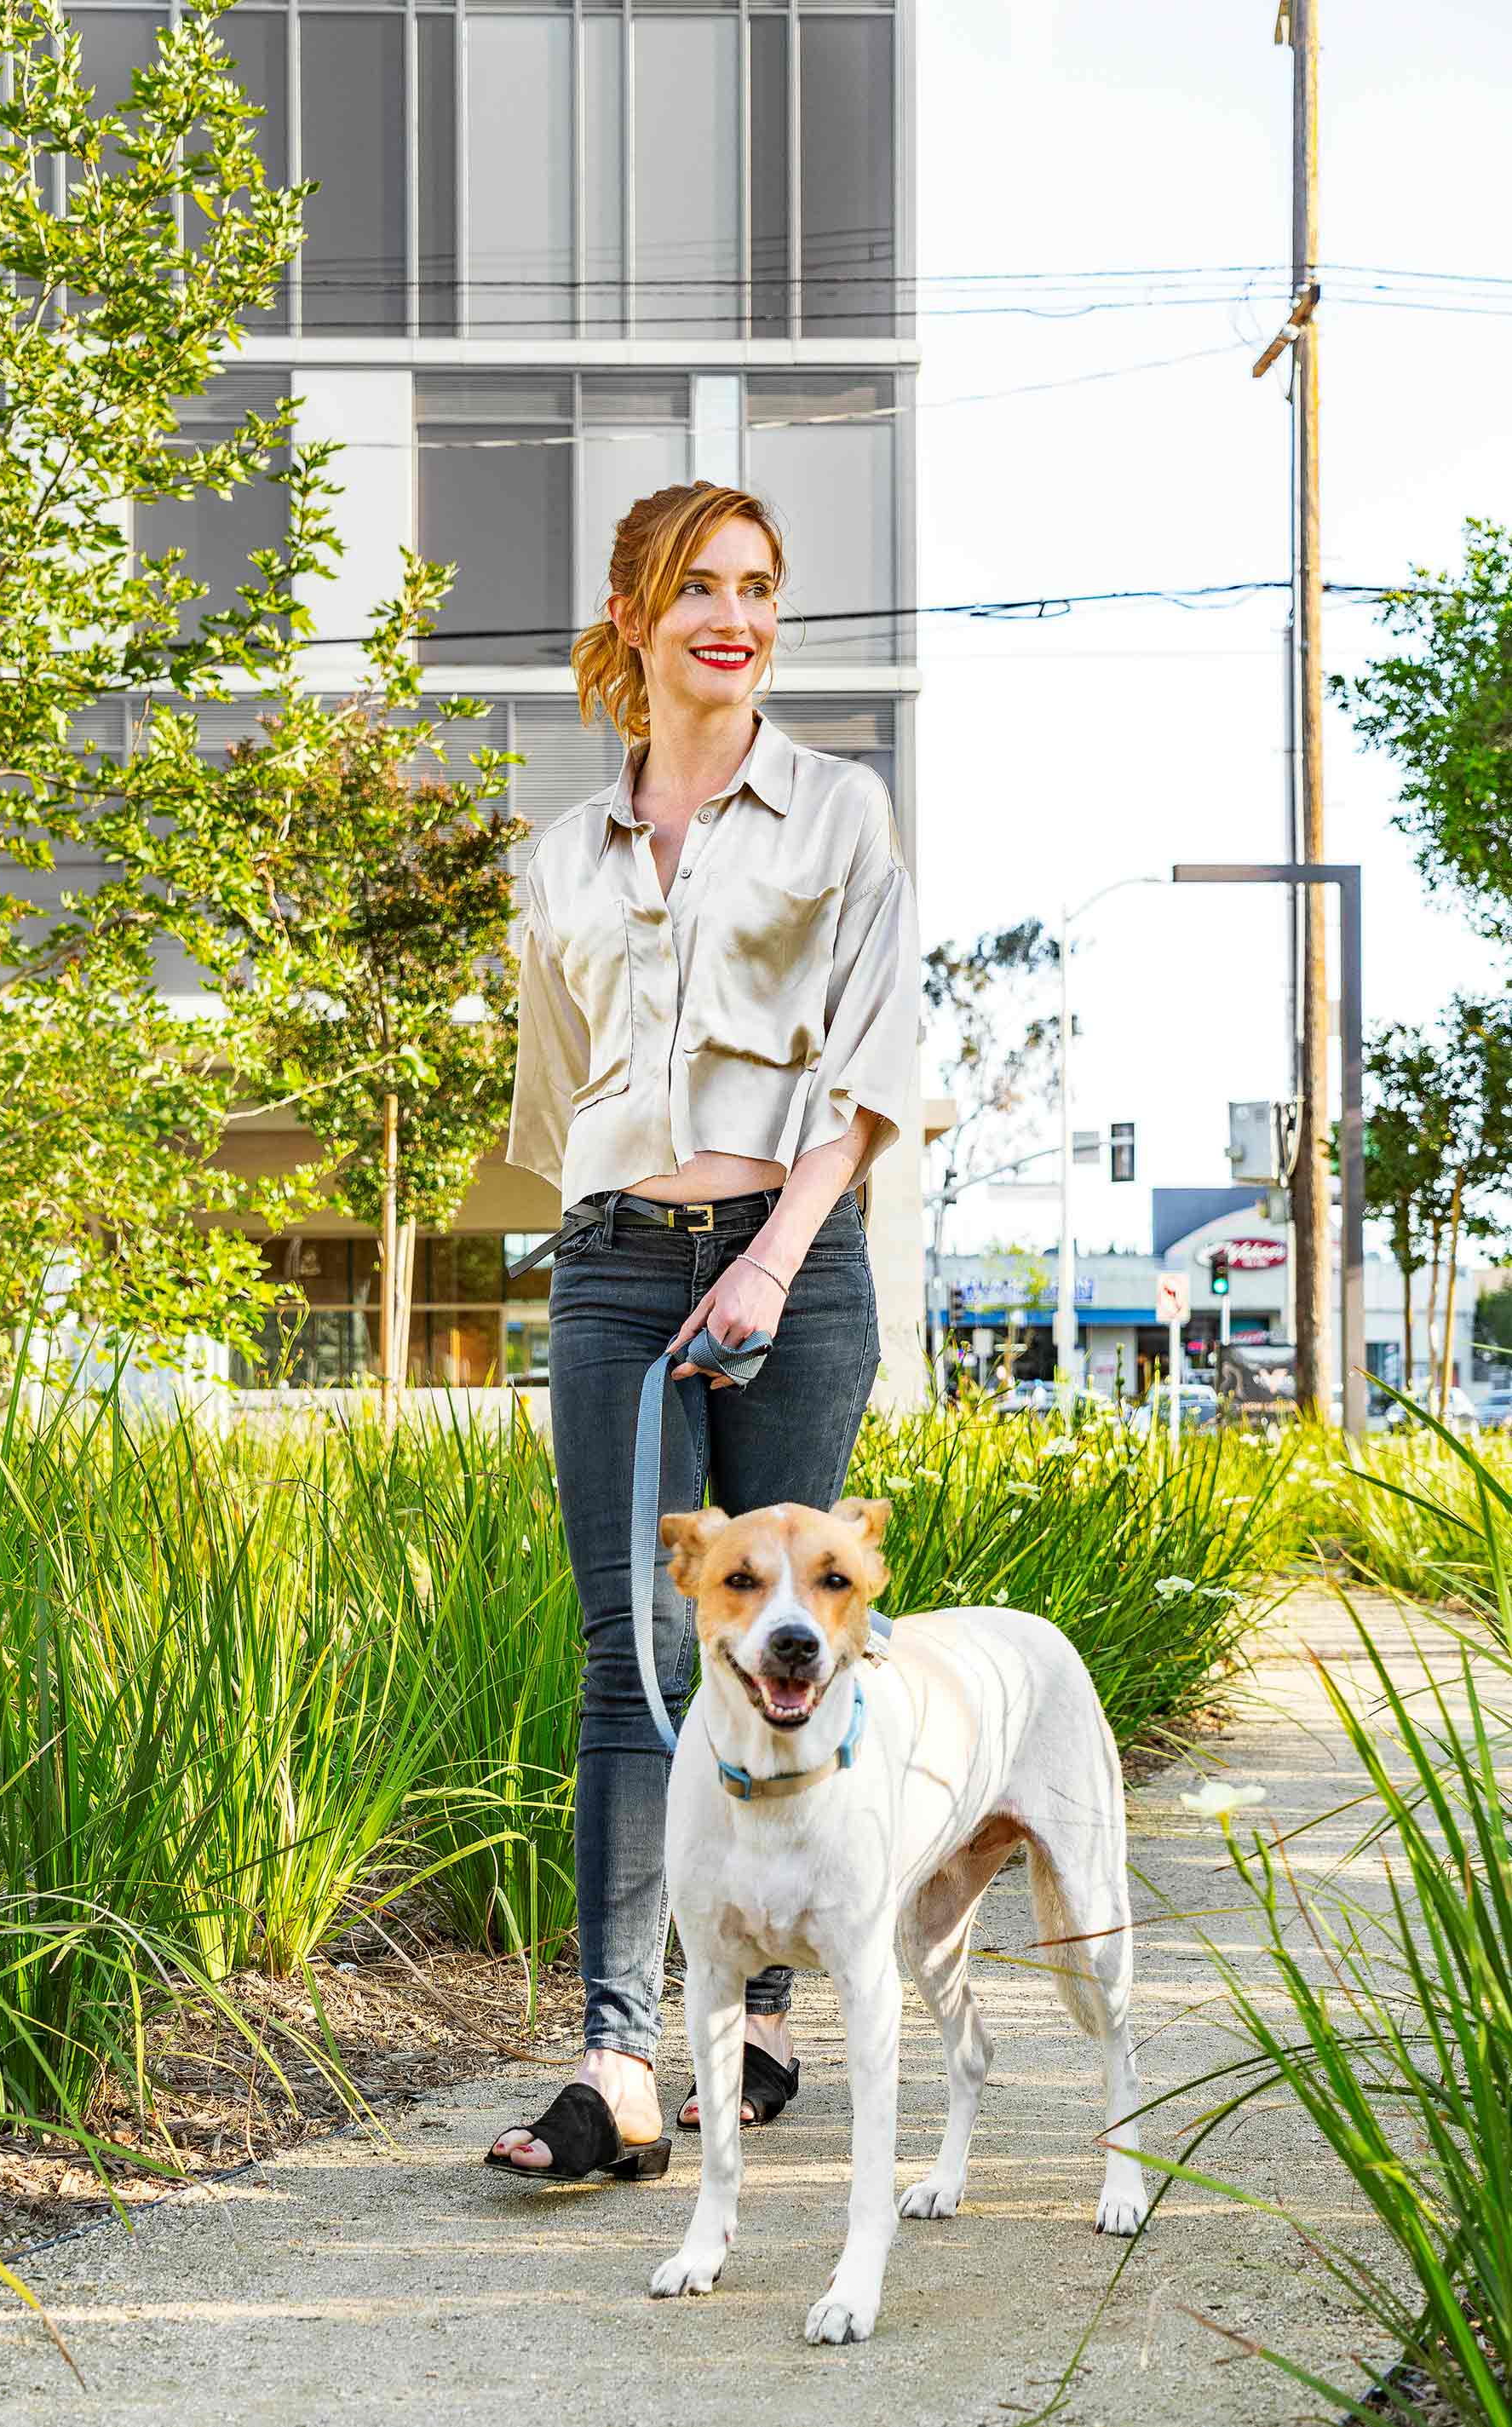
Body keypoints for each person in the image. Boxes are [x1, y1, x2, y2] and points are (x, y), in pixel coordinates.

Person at [489, 479, 921, 2180]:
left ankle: (756, 2010)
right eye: (698, 587)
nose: (730, 615)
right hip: (609, 1268)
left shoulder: (835, 811)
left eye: (756, 585)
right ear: (634, 616)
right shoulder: (554, 857)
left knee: (791, 1631)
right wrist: (626, 1254)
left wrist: (765, 1253)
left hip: (794, 1268)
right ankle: (613, 2060)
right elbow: (554, 1097)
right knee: (630, 1652)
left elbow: (869, 1064)